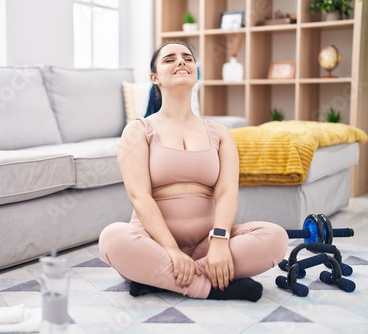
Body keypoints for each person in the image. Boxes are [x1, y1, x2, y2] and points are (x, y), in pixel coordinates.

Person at [98, 41, 289, 302]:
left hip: (208, 244)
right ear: (155, 78)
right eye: (169, 59)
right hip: (152, 242)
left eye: (187, 58)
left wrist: (220, 241)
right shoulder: (138, 131)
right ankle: (211, 287)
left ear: (196, 73)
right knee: (112, 238)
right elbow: (140, 196)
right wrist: (172, 250)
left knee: (275, 238)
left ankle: (160, 279)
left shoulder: (220, 133)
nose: (181, 62)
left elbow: (226, 193)